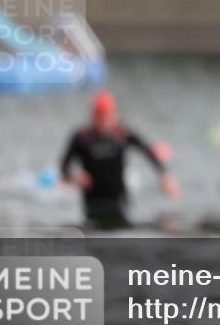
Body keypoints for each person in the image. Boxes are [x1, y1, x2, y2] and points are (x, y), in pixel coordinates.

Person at [60, 90, 179, 229]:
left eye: (106, 116)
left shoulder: (122, 133)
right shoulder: (81, 138)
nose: (103, 121)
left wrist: (164, 175)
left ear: (113, 114)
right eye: (99, 116)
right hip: (92, 204)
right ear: (93, 115)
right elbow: (63, 168)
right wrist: (75, 178)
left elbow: (148, 151)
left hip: (119, 201)